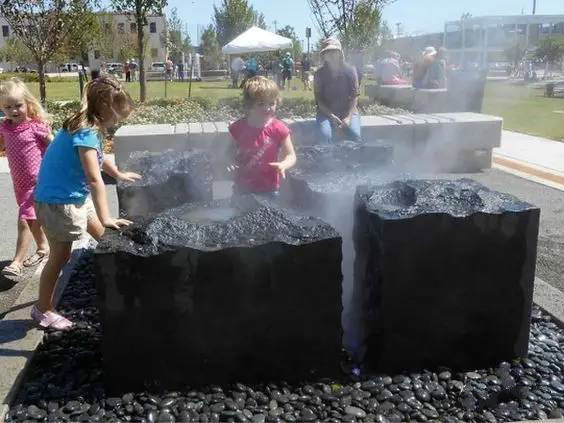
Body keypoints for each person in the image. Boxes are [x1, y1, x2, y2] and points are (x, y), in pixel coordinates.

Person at [32, 76, 141, 330]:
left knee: (105, 238)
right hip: (59, 203)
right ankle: (43, 309)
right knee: (60, 256)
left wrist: (118, 174)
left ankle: (119, 284)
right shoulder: (86, 133)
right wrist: (106, 216)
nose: (116, 125)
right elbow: (94, 180)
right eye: (116, 119)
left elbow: (99, 159)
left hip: (73, 196)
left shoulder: (87, 125)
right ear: (104, 108)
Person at [0, 78, 53, 277]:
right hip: (20, 184)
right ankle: (43, 249)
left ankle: (17, 262)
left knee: (24, 218)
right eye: (8, 107)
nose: (14, 110)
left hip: (38, 183)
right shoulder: (5, 127)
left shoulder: (36, 126)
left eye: (18, 105)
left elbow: (54, 147)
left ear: (28, 104)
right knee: (31, 220)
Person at [227, 76, 296, 198]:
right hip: (242, 187)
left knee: (266, 216)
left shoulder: (278, 128)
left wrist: (284, 164)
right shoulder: (238, 128)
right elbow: (228, 151)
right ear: (249, 104)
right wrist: (229, 161)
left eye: (271, 103)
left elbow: (291, 155)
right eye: (261, 104)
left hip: (269, 188)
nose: (267, 108)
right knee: (240, 215)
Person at [314, 37, 361, 143]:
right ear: (323, 55)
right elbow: (319, 101)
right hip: (325, 113)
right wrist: (331, 116)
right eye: (327, 52)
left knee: (355, 137)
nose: (331, 55)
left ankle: (351, 159)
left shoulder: (351, 70)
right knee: (325, 136)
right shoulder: (319, 74)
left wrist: (348, 118)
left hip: (349, 111)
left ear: (340, 53)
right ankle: (328, 159)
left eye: (334, 51)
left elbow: (354, 97)